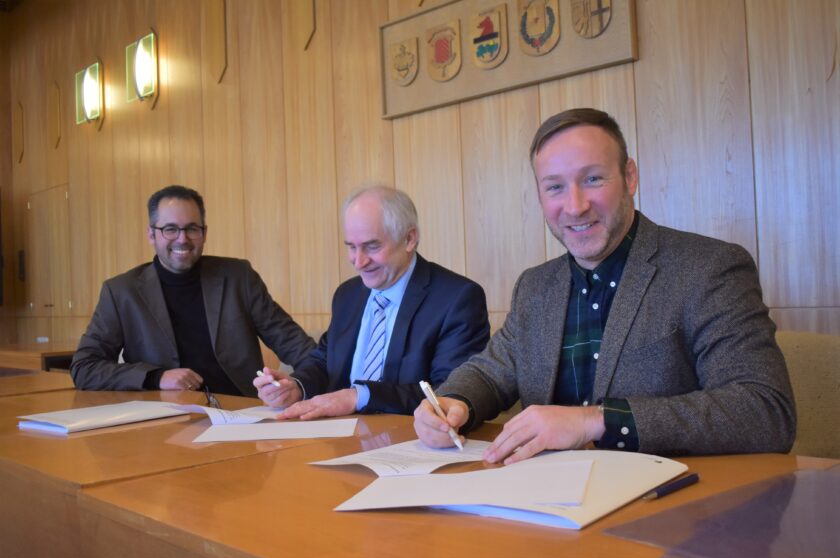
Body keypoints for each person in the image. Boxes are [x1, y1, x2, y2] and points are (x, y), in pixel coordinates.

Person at [414, 108, 796, 462]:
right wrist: (453, 401)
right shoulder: (535, 286)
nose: (575, 205)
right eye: (555, 187)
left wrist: (595, 421)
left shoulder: (708, 268)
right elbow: (490, 371)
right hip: (546, 506)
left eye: (593, 179)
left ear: (630, 176)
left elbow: (765, 411)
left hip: (668, 508)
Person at [255, 185, 490, 419]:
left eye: (371, 246)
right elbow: (325, 362)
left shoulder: (457, 299)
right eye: (351, 247)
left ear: (409, 239)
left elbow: (449, 392)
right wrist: (296, 386)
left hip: (411, 439)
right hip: (339, 437)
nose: (359, 261)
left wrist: (360, 396)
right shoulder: (347, 295)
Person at [71, 185, 316, 396]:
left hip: (240, 412)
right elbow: (85, 368)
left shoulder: (238, 277)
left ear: (204, 233)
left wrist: (304, 385)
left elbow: (296, 345)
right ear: (151, 235)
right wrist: (156, 378)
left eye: (191, 228)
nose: (182, 239)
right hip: (162, 423)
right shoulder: (121, 292)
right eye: (170, 229)